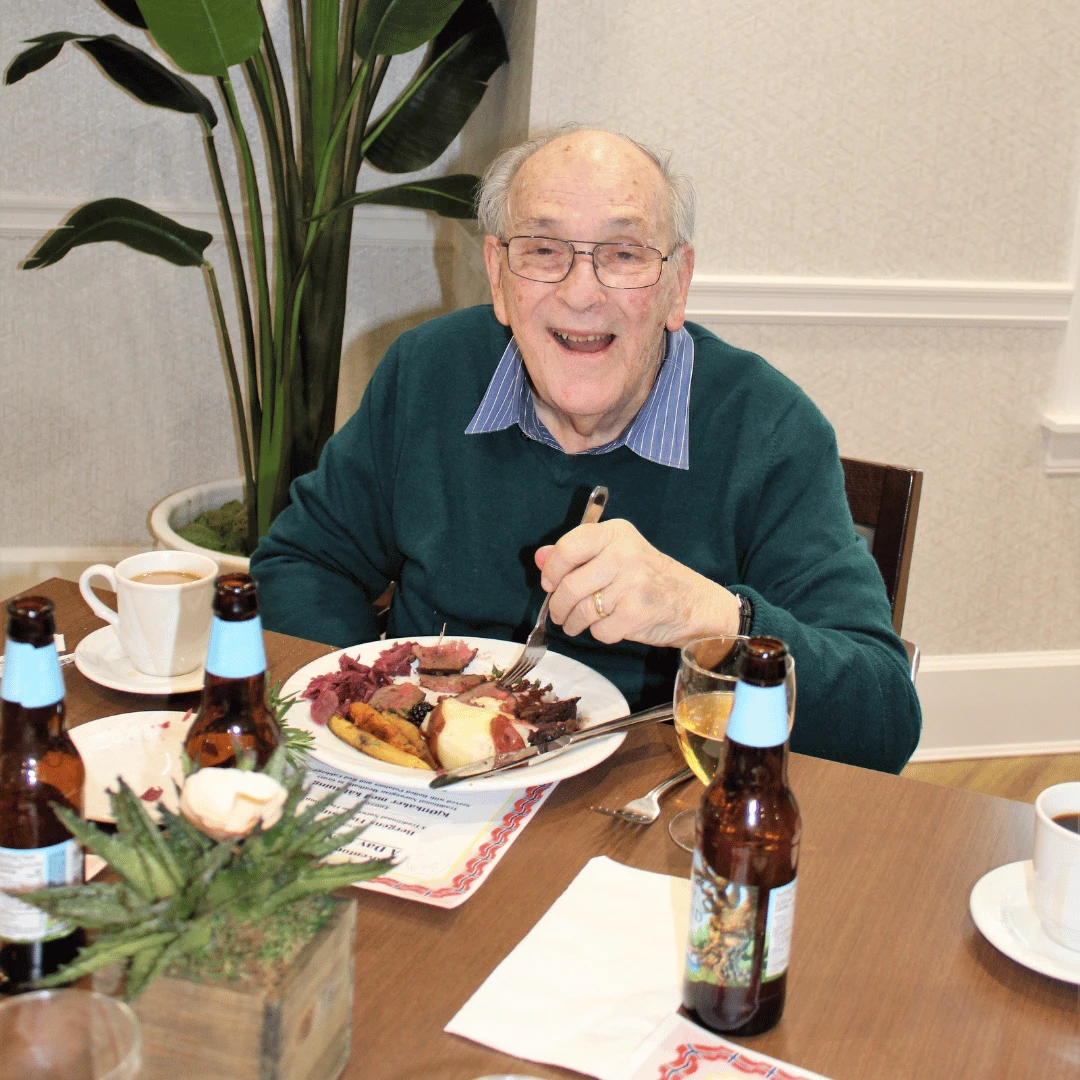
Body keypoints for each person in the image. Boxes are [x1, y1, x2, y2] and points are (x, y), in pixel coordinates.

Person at [251, 127, 921, 773]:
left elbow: (883, 721)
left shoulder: (770, 429)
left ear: (675, 283)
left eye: (624, 254)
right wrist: (371, 712)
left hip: (643, 804)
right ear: (498, 275)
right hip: (432, 787)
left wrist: (713, 618)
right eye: (543, 251)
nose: (581, 292)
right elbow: (304, 561)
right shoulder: (428, 373)